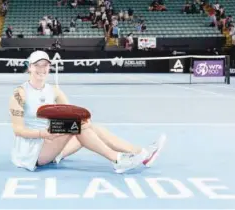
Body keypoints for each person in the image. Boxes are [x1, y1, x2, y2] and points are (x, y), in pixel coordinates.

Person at [9, 50, 166, 173]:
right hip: (33, 152)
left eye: (45, 65)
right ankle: (117, 160)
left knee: (89, 126)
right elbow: (18, 130)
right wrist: (43, 134)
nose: (42, 69)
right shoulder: (20, 93)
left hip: (54, 144)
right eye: (37, 65)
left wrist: (84, 123)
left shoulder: (55, 91)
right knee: (78, 126)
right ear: (30, 67)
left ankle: (142, 153)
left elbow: (70, 116)